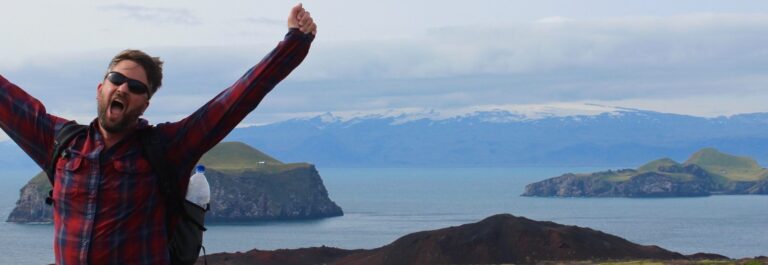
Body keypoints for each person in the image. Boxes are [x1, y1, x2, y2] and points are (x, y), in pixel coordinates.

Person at [0, 3, 317, 265]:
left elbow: (235, 100)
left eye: (136, 87)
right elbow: (6, 100)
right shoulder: (62, 142)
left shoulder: (166, 148)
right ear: (101, 88)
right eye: (116, 79)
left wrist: (295, 42)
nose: (123, 88)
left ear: (145, 103)